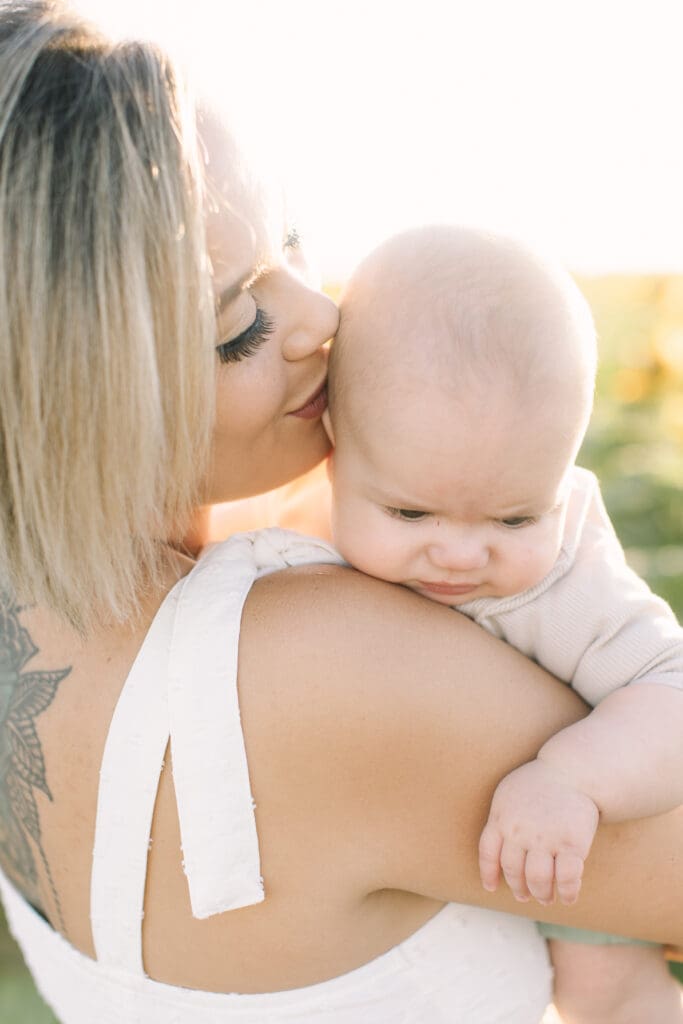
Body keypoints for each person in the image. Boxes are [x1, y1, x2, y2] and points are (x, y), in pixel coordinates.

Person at [0, 4, 681, 1023]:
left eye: (292, 245)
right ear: (65, 389)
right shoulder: (331, 669)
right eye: (238, 324)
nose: (320, 320)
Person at [321, 225, 683, 1021]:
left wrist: (574, 779)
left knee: (601, 992)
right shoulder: (300, 528)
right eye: (411, 511)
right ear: (331, 444)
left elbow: (670, 690)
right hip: (421, 864)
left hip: (577, 841)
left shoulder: (566, 581)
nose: (458, 553)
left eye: (516, 519)